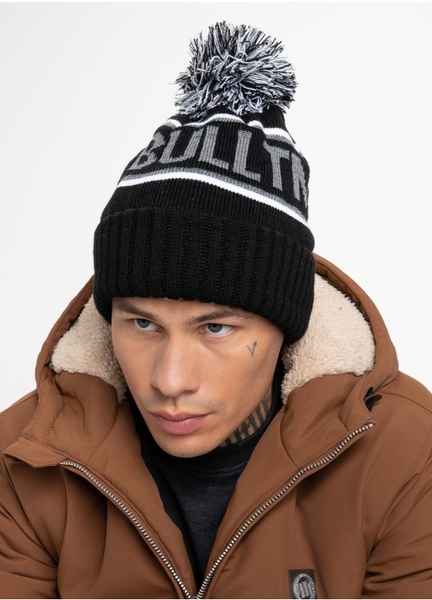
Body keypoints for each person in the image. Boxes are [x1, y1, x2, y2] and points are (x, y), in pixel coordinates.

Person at [0, 21, 431, 599]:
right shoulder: (24, 458)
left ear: (286, 324)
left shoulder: (406, 453)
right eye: (142, 323)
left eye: (217, 327)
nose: (169, 380)